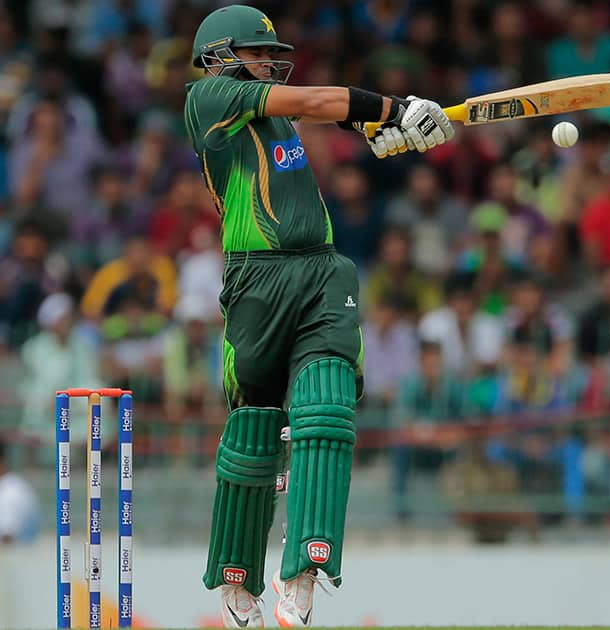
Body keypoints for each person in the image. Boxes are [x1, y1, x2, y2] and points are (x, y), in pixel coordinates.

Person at [183, 6, 455, 627]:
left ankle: (303, 568)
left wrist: (372, 131)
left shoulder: (273, 116)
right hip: (256, 277)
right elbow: (311, 98)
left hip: (323, 271)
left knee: (328, 405)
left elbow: (313, 112)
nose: (268, 61)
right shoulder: (210, 97)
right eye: (255, 52)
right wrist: (388, 109)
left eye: (269, 53)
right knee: (255, 430)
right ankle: (236, 569)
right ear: (219, 55)